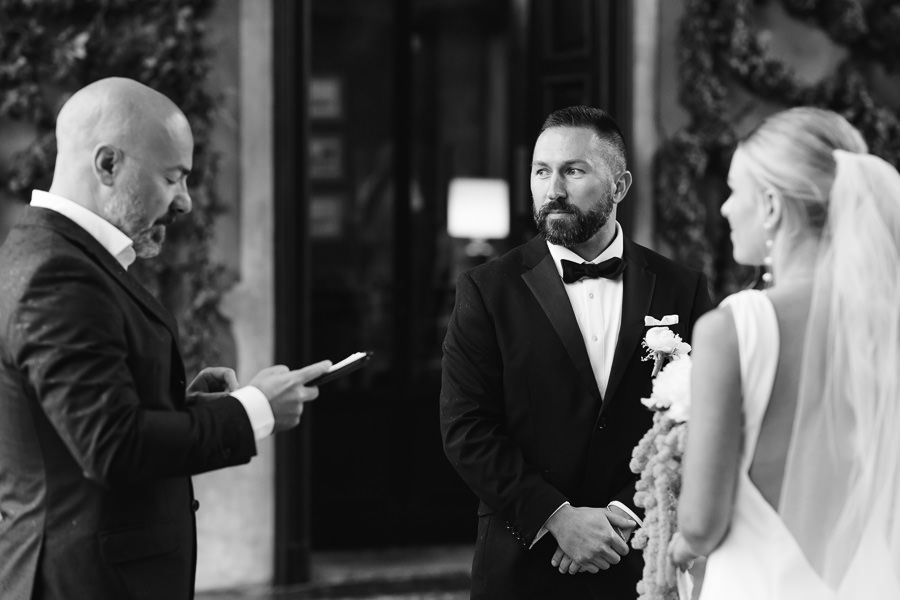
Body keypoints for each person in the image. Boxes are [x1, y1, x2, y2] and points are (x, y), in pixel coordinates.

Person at [0, 77, 331, 600]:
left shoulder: (63, 257)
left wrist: (171, 402)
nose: (186, 203)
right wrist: (252, 411)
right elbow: (112, 447)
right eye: (173, 178)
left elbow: (81, 423)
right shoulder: (57, 273)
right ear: (108, 164)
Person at [440, 105, 713, 599]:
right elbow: (466, 429)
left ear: (621, 186)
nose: (553, 189)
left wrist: (627, 514)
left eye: (574, 170)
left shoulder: (683, 289)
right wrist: (557, 517)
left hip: (640, 558)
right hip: (521, 563)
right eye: (542, 171)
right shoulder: (486, 290)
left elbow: (701, 421)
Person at [670, 106, 900, 598]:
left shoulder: (731, 330)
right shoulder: (888, 325)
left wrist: (678, 545)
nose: (727, 208)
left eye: (735, 190)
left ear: (772, 205)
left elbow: (702, 523)